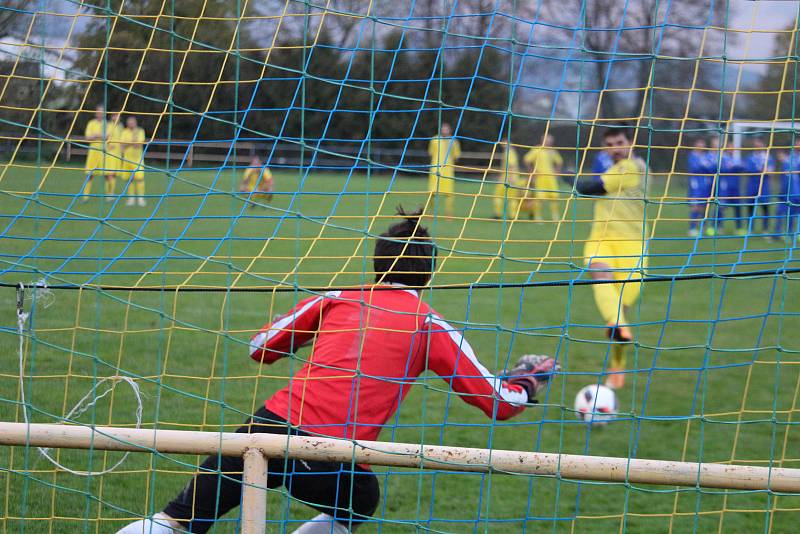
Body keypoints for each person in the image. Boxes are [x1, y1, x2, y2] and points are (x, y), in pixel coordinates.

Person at [116, 208, 559, 534]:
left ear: (377, 262)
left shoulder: (339, 297)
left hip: (264, 431)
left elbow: (260, 348)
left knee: (179, 519)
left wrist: (317, 333)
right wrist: (527, 381)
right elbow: (498, 403)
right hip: (326, 458)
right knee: (361, 499)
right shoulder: (428, 323)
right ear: (429, 273)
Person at [563, 125, 648, 389]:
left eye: (620, 142)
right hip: (601, 239)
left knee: (621, 312)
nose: (615, 148)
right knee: (599, 273)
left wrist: (564, 174)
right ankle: (618, 330)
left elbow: (589, 187)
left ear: (630, 142)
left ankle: (617, 368)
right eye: (610, 144)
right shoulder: (612, 167)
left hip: (633, 246)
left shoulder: (634, 167)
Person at [523, 133, 563, 221]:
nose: (549, 142)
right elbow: (526, 160)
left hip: (551, 178)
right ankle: (537, 217)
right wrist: (532, 171)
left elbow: (559, 161)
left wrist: (557, 172)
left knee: (555, 197)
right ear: (542, 140)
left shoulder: (552, 151)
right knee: (539, 198)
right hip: (540, 178)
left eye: (550, 140)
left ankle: (555, 217)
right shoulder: (537, 150)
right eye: (547, 140)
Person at [713, 137, 745, 235]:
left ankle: (739, 228)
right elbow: (721, 169)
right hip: (725, 186)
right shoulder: (721, 158)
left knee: (737, 207)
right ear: (726, 148)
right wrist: (733, 167)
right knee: (720, 206)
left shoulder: (736, 159)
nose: (732, 149)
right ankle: (717, 227)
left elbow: (743, 167)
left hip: (735, 187)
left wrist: (734, 167)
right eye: (730, 147)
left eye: (733, 147)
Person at [427, 123, 461, 217]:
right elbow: (430, 153)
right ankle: (431, 213)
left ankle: (448, 214)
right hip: (435, 170)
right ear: (440, 129)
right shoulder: (434, 140)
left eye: (447, 129)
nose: (445, 131)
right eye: (443, 129)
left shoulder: (454, 141)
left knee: (449, 194)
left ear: (450, 130)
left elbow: (456, 156)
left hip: (448, 170)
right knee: (432, 193)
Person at [743, 136, 774, 234]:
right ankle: (750, 229)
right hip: (752, 185)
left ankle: (765, 229)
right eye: (756, 144)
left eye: (759, 144)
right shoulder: (749, 157)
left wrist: (767, 171)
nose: (758, 146)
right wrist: (759, 170)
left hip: (764, 185)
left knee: (765, 207)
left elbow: (771, 171)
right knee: (750, 207)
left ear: (763, 145)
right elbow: (747, 170)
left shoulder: (768, 157)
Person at [686, 138, 713, 237]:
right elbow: (694, 168)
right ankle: (692, 228)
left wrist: (704, 167)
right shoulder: (692, 156)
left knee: (704, 207)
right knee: (695, 206)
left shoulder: (706, 156)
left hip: (706, 185)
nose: (701, 146)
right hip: (695, 185)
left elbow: (712, 168)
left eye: (702, 144)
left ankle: (703, 227)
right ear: (695, 145)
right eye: (699, 144)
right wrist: (704, 167)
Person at [775, 136, 800, 242]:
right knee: (781, 212)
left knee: (795, 214)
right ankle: (778, 234)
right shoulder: (789, 159)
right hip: (786, 191)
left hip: (797, 192)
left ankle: (795, 234)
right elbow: (784, 176)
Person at [81, 105, 108, 202]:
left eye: (102, 112)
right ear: (96, 113)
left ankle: (108, 196)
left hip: (104, 152)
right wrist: (99, 136)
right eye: (99, 112)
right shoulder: (91, 123)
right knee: (89, 175)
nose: (100, 114)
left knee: (106, 174)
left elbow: (107, 136)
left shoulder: (106, 124)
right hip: (93, 152)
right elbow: (88, 137)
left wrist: (96, 135)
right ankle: (85, 196)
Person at [491, 139, 523, 219]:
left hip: (507, 178)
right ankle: (513, 216)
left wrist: (511, 177)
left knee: (498, 195)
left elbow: (511, 165)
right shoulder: (512, 152)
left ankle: (498, 214)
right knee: (513, 198)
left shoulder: (508, 153)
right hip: (514, 178)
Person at [121, 115, 147, 207]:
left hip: (137, 160)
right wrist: (132, 142)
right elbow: (122, 146)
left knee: (140, 179)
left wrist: (129, 142)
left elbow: (138, 145)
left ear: (135, 122)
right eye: (129, 122)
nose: (131, 123)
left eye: (132, 122)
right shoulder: (124, 132)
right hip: (127, 159)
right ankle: (131, 199)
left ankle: (141, 199)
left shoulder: (140, 131)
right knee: (129, 180)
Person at [104, 112, 125, 201]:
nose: (116, 117)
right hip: (111, 152)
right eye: (115, 115)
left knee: (114, 174)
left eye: (118, 116)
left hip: (118, 153)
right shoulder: (109, 125)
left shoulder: (121, 126)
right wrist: (109, 144)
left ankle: (110, 193)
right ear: (112, 117)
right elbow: (106, 136)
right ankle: (109, 194)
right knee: (110, 173)